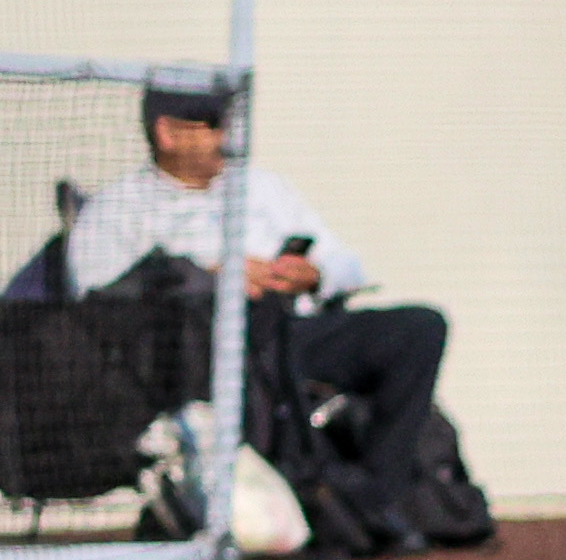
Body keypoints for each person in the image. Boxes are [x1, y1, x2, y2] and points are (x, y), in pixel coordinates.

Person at [68, 78, 456, 536]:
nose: (225, 139)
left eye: (228, 124)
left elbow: (347, 263)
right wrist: (211, 279)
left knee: (420, 328)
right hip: (200, 351)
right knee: (250, 325)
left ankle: (377, 496)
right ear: (167, 133)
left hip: (295, 331)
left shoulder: (264, 189)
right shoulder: (119, 208)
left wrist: (311, 274)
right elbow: (95, 302)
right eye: (211, 125)